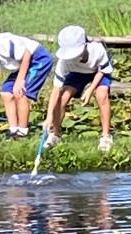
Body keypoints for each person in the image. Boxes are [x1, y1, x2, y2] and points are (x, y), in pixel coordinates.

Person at [43, 24, 115, 152]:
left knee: (102, 95)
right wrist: (49, 117)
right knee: (62, 97)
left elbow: (102, 71)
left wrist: (90, 89)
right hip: (77, 73)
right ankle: (55, 134)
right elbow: (55, 91)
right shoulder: (64, 61)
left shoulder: (97, 49)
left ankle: (106, 136)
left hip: (99, 72)